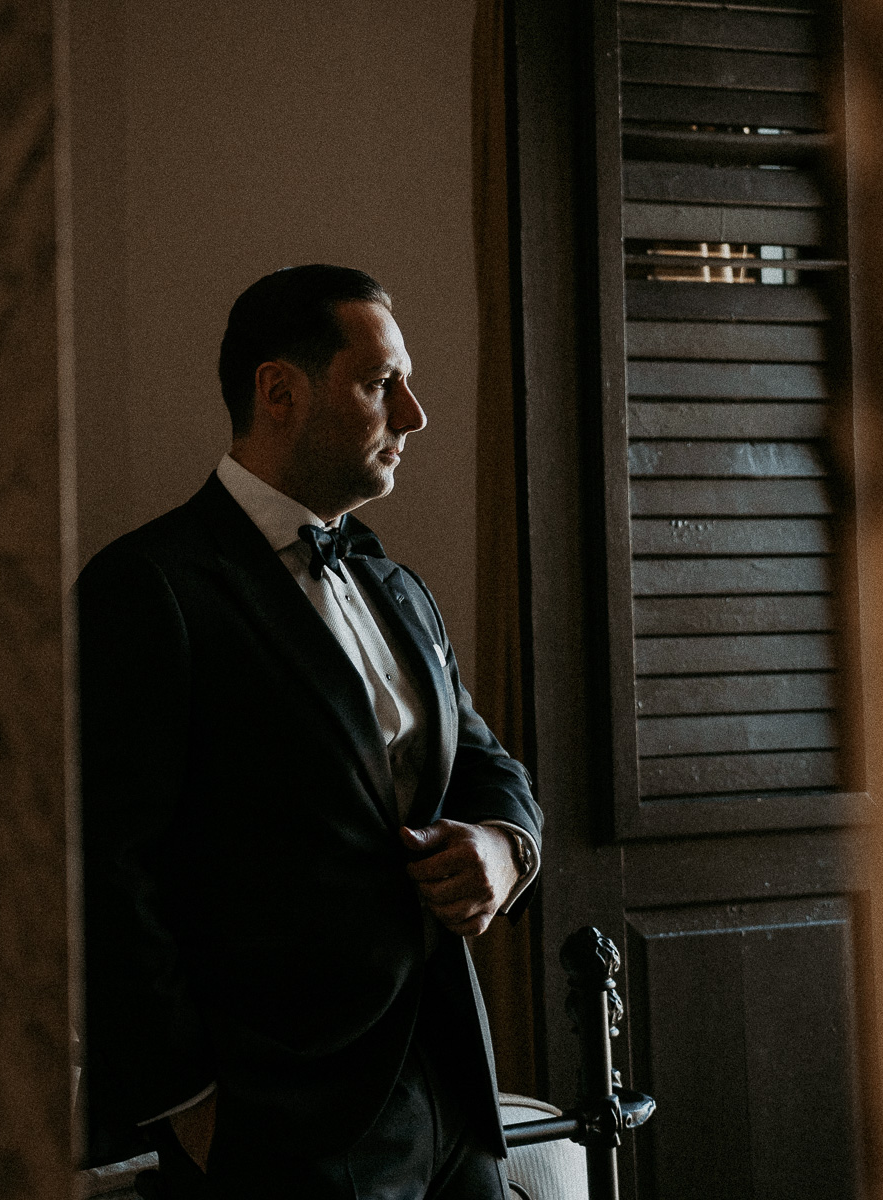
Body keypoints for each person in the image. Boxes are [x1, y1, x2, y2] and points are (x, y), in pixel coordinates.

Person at [77, 265, 542, 1198]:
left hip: (450, 1083)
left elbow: (489, 767)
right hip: (278, 1115)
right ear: (278, 390)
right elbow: (104, 862)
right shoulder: (149, 588)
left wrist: (505, 846)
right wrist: (191, 1103)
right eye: (381, 385)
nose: (413, 415)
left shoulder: (396, 586)